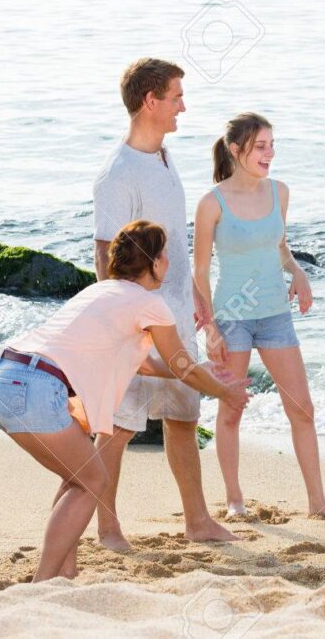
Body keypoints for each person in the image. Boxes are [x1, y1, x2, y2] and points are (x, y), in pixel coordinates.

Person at [0, 221, 251, 581]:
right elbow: (181, 365)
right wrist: (226, 391)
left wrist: (196, 372)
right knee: (92, 479)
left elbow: (155, 366)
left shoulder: (102, 292)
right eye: (165, 254)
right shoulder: (150, 303)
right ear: (153, 263)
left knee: (78, 476)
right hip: (36, 387)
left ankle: (64, 571)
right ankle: (43, 583)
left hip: (0, 378)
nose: (169, 261)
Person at [92, 58, 236, 547]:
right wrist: (122, 325)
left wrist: (195, 297)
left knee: (183, 417)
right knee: (117, 427)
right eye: (175, 96)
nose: (183, 106)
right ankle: (107, 528)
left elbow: (175, 240)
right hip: (135, 319)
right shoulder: (118, 172)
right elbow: (105, 252)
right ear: (149, 101)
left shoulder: (164, 155)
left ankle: (197, 523)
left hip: (174, 311)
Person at [193, 112, 325, 520]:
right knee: (231, 410)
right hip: (232, 318)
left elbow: (281, 248)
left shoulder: (280, 192)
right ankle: (235, 499)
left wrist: (298, 272)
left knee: (302, 409)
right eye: (261, 146)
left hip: (276, 314)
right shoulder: (212, 203)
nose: (269, 153)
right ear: (236, 149)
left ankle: (318, 501)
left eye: (272, 145)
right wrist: (210, 328)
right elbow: (200, 271)